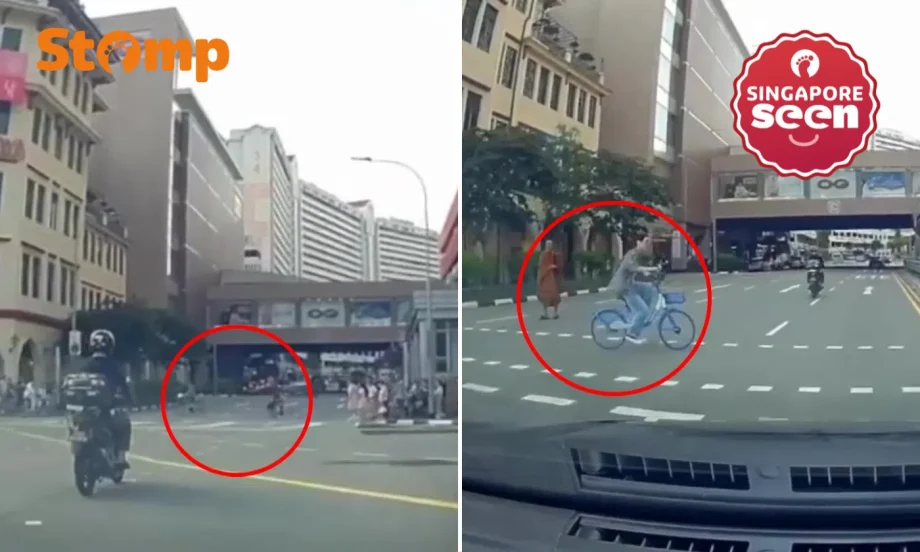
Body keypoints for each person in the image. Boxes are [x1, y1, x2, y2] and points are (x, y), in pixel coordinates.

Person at [81, 329, 132, 469]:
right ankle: (120, 458)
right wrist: (129, 399)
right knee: (124, 425)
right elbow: (123, 386)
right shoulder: (113, 366)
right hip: (106, 408)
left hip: (84, 408)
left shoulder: (85, 365)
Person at [608, 235, 660, 344]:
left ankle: (639, 316)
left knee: (649, 288)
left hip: (631, 284)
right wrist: (652, 269)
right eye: (645, 242)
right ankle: (632, 334)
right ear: (638, 242)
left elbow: (638, 269)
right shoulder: (631, 254)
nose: (647, 245)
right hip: (624, 287)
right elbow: (634, 268)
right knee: (643, 311)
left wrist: (647, 272)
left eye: (649, 243)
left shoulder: (638, 254)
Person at [537, 239, 562, 320]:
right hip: (545, 277)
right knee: (545, 296)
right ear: (545, 246)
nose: (549, 246)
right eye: (548, 245)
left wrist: (555, 266)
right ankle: (545, 313)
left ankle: (555, 313)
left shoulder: (554, 255)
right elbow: (541, 266)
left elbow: (559, 264)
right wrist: (548, 268)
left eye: (551, 244)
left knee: (555, 296)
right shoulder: (543, 255)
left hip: (553, 278)